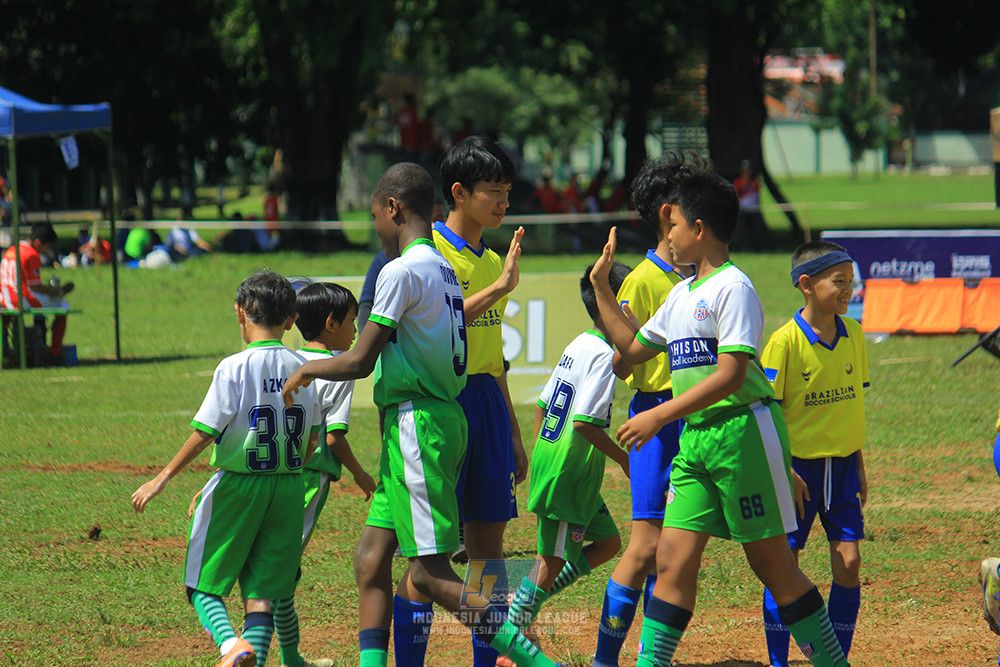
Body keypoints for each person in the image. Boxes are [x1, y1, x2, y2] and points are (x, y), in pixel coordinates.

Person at [281, 162, 566, 667]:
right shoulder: (442, 269)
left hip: (420, 423)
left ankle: (538, 663)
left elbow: (363, 359)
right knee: (371, 559)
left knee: (433, 574)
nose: (375, 227)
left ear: (393, 208)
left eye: (374, 216)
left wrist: (308, 371)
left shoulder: (401, 270)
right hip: (430, 420)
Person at [589, 166, 849, 667]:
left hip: (743, 432)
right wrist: (601, 287)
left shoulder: (735, 288)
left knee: (772, 565)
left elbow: (731, 375)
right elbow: (630, 349)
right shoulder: (679, 295)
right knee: (671, 561)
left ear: (700, 228)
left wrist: (659, 415)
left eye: (675, 225)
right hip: (698, 443)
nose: (668, 235)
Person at [132, 270, 324, 667]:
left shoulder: (234, 367)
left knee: (201, 587)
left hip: (239, 486)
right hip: (288, 488)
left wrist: (162, 478)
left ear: (240, 313)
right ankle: (251, 655)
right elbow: (313, 442)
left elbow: (204, 433)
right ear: (291, 319)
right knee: (262, 594)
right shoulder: (306, 369)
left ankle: (229, 645)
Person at [402, 135, 526, 667]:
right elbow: (434, 327)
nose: (502, 202)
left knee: (488, 549)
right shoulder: (428, 254)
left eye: (506, 191)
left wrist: (515, 433)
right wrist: (498, 289)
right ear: (458, 192)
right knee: (426, 558)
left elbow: (495, 360)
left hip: (487, 406)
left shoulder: (495, 257)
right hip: (440, 404)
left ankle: (485, 661)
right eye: (492, 191)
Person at [591, 155, 695, 667]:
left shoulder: (704, 278)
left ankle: (652, 657)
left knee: (674, 552)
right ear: (668, 213)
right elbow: (625, 361)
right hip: (657, 419)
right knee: (644, 547)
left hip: (696, 419)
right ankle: (605, 659)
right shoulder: (644, 281)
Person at [501, 261, 632, 650]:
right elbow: (584, 424)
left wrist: (546, 449)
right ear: (616, 305)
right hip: (567, 475)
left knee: (608, 542)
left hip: (569, 470)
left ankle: (526, 600)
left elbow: (543, 406)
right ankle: (511, 631)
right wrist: (623, 459)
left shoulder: (581, 342)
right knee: (552, 561)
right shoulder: (606, 355)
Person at [757, 240, 869, 666]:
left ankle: (836, 658)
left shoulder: (854, 334)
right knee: (784, 567)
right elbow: (764, 413)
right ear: (806, 284)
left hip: (840, 470)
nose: (849, 291)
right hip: (796, 471)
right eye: (839, 282)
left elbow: (851, 404)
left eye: (851, 283)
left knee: (850, 561)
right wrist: (781, 468)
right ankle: (778, 660)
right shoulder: (784, 343)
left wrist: (858, 463)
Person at [273, 281, 377, 667]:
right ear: (331, 324)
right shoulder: (340, 369)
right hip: (309, 474)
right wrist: (361, 475)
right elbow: (333, 439)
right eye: (352, 322)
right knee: (283, 569)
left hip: (274, 469)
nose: (356, 330)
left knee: (282, 565)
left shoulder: (287, 359)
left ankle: (290, 656)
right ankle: (274, 653)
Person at [0, 222, 74, 365]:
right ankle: (54, 352)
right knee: (63, 307)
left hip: (3, 296)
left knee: (13, 312)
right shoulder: (31, 254)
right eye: (47, 246)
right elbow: (36, 287)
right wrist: (55, 291)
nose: (46, 250)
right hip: (18, 298)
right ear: (38, 242)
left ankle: (5, 347)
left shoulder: (12, 249)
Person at [732, 159, 765, 251]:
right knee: (741, 231)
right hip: (743, 210)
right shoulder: (738, 182)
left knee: (756, 230)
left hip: (754, 209)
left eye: (749, 169)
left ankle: (757, 248)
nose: (747, 171)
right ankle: (739, 248)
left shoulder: (754, 181)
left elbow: (757, 195)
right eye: (745, 169)